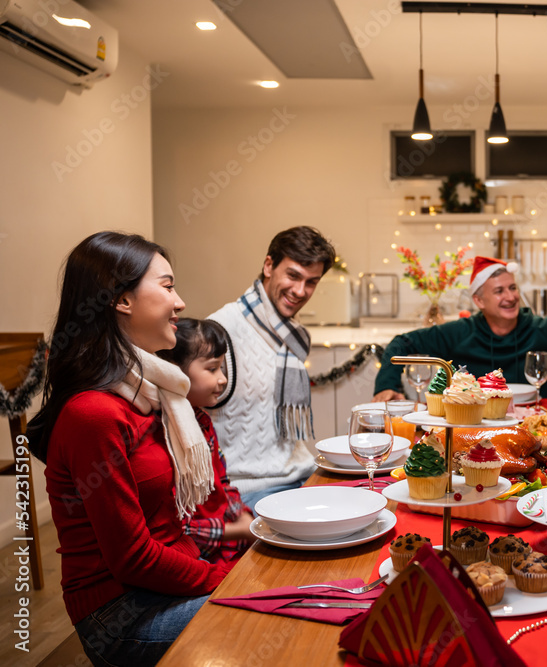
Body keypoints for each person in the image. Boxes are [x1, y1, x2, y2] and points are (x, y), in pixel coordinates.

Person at [26, 232, 232, 666]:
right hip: (124, 614)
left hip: (168, 582)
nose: (180, 303)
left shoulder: (154, 391)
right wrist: (225, 580)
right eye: (168, 285)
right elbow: (133, 559)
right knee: (274, 624)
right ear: (122, 300)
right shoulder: (95, 413)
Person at [372, 256, 547, 400]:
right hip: (473, 430)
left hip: (536, 428)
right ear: (479, 300)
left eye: (513, 288)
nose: (510, 297)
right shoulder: (458, 333)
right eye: (499, 291)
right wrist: (387, 386)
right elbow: (400, 345)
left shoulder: (542, 329)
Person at [207, 226, 337, 508]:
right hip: (247, 489)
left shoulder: (290, 333)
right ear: (269, 266)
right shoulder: (219, 330)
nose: (300, 291)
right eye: (293, 276)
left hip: (300, 474)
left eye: (311, 282)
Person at [158, 318, 254, 562]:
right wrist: (236, 531)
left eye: (221, 368)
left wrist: (243, 516)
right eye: (212, 369)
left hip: (228, 533)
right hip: (200, 551)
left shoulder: (202, 421)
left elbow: (222, 480)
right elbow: (182, 526)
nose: (222, 379)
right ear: (174, 370)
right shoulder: (166, 433)